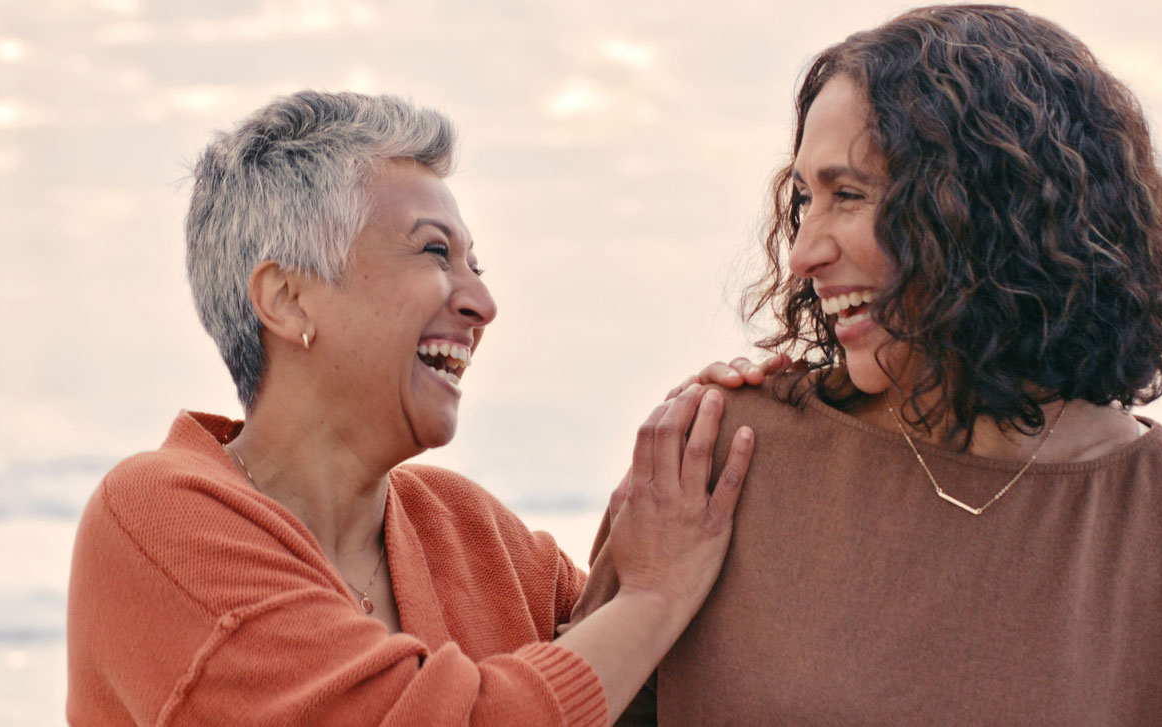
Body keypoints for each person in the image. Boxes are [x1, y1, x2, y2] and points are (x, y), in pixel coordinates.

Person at [576, 5, 1162, 725]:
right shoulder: (722, 452)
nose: (803, 253)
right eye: (803, 200)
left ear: (989, 207)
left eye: (847, 195)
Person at [67, 91, 756, 727]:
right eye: (435, 252)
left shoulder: (468, 528)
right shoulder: (159, 519)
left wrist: (724, 437)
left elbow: (654, 678)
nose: (482, 305)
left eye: (475, 266)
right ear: (286, 297)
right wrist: (651, 598)